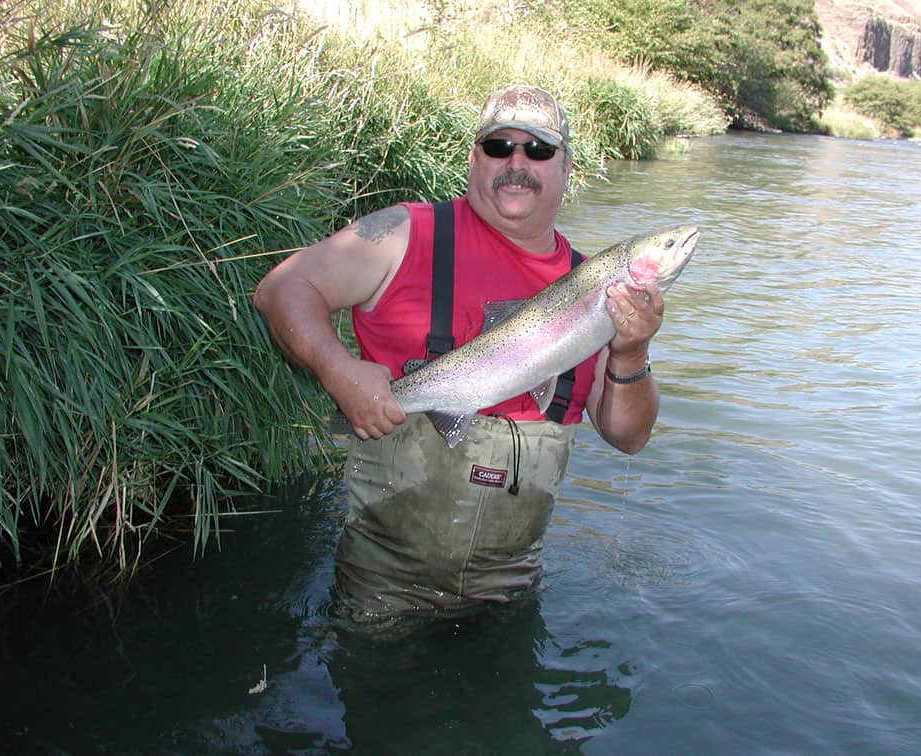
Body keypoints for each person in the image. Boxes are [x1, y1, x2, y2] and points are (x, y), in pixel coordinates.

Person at [254, 84, 664, 620]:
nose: (518, 162)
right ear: (474, 159)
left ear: (566, 168)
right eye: (499, 146)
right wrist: (339, 371)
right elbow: (281, 290)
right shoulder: (406, 233)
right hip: (382, 588)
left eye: (539, 150)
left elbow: (628, 438)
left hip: (511, 593)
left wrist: (631, 352)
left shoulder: (597, 291)